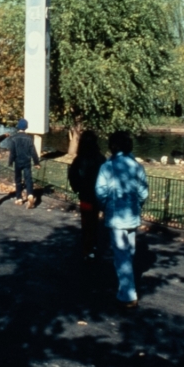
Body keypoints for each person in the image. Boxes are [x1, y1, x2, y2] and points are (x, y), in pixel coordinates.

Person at [95, 131, 148, 309]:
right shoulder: (137, 166)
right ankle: (127, 285)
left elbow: (100, 192)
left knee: (121, 254)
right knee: (129, 251)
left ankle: (128, 294)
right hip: (132, 214)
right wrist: (136, 204)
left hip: (116, 215)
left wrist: (105, 206)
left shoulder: (107, 167)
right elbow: (143, 193)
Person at [68, 130, 104, 258]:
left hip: (85, 194)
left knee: (86, 221)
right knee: (94, 220)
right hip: (97, 194)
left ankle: (87, 248)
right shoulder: (100, 158)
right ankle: (93, 245)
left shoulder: (79, 159)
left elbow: (72, 175)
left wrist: (76, 188)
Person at [7, 118, 40, 207]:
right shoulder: (29, 138)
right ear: (26, 127)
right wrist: (36, 162)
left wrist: (10, 161)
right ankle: (30, 194)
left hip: (18, 161)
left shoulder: (13, 138)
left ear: (18, 127)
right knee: (28, 179)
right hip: (27, 161)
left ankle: (19, 198)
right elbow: (33, 151)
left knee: (18, 180)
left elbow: (12, 152)